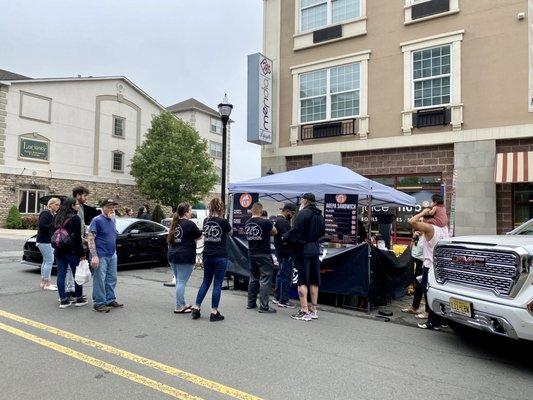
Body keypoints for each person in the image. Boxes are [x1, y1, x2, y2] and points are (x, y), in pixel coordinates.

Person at [408, 208, 450, 330]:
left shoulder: (431, 228)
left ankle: (433, 321)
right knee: (439, 293)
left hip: (429, 265)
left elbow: (412, 221)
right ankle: (442, 320)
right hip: (440, 265)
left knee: (429, 292)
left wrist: (423, 212)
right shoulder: (444, 228)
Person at [286, 193, 325, 321]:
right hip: (315, 249)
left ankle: (304, 310)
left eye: (302, 199)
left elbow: (295, 231)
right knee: (314, 280)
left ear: (306, 201)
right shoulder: (320, 215)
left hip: (302, 250)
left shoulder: (302, 213)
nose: (300, 201)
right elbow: (322, 233)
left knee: (302, 280)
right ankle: (314, 310)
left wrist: (285, 238)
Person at [191, 198, 232, 322]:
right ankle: (214, 312)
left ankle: (196, 308)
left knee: (206, 282)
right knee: (217, 284)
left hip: (207, 255)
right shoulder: (223, 222)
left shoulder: (206, 221)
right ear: (221, 208)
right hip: (220, 255)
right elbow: (230, 233)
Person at [87, 199, 123, 313]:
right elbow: (90, 238)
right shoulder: (96, 220)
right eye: (109, 206)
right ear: (103, 207)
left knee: (112, 278)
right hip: (100, 255)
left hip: (112, 254)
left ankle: (109, 299)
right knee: (100, 280)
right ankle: (98, 303)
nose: (111, 209)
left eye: (113, 206)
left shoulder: (112, 219)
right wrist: (94, 256)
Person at [53, 197, 88, 309]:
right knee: (77, 274)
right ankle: (79, 298)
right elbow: (77, 238)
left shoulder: (58, 216)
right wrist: (82, 254)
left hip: (59, 250)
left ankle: (63, 300)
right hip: (72, 251)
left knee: (61, 275)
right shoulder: (75, 218)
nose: (78, 206)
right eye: (77, 204)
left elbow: (52, 232)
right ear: (72, 206)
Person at [167, 203, 202, 314]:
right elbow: (199, 236)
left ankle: (181, 304)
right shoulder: (189, 224)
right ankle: (179, 306)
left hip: (173, 255)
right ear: (186, 212)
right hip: (185, 255)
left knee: (179, 281)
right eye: (190, 210)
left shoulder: (175, 223)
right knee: (181, 282)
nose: (191, 212)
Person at [246, 202, 278, 313]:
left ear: (252, 210)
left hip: (251, 253)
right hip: (263, 253)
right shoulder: (266, 222)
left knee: (253, 278)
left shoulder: (247, 222)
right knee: (265, 279)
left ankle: (251, 303)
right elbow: (275, 232)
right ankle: (264, 306)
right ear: (261, 211)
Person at [272, 203, 297, 308]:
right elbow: (287, 238)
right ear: (287, 211)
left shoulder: (277, 220)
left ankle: (277, 297)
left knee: (280, 274)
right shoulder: (284, 222)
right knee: (286, 276)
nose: (292, 215)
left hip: (280, 251)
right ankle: (284, 300)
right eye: (292, 213)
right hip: (286, 252)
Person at [36, 197, 61, 290]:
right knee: (49, 261)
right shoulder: (45, 213)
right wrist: (55, 227)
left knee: (46, 261)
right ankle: (47, 284)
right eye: (56, 204)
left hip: (45, 241)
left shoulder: (53, 214)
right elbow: (42, 225)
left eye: (59, 205)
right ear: (50, 205)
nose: (58, 206)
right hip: (44, 240)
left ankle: (43, 282)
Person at [401, 230, 426, 315]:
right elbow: (410, 249)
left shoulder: (427, 236)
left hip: (423, 263)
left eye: (422, 221)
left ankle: (426, 310)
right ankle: (414, 307)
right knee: (416, 286)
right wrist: (413, 238)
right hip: (414, 261)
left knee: (421, 286)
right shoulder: (417, 236)